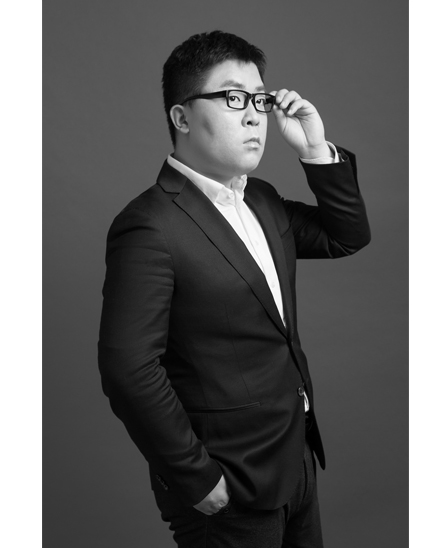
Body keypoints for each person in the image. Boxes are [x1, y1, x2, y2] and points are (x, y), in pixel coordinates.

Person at [98, 30, 370, 548]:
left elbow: (346, 236)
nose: (253, 117)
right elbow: (128, 368)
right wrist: (197, 478)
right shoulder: (149, 225)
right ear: (181, 118)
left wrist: (315, 150)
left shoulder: (261, 200)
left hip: (295, 460)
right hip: (228, 486)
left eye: (259, 100)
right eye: (232, 98)